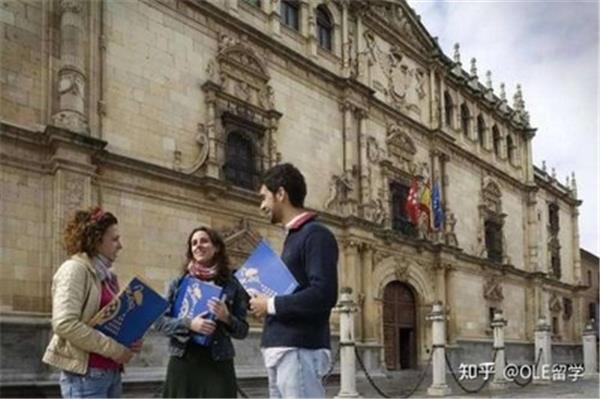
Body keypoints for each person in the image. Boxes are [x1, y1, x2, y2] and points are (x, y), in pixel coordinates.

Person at [250, 163, 339, 398]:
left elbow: (324, 294)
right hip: (282, 348)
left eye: (264, 198)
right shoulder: (294, 237)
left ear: (281, 194)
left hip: (298, 349)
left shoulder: (316, 234)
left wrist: (270, 304)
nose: (262, 206)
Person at [42, 207, 142, 398]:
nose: (120, 245)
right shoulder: (74, 269)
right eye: (114, 239)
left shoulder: (109, 277)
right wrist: (115, 349)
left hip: (112, 371)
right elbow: (64, 324)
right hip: (85, 376)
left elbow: (109, 321)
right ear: (96, 240)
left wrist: (130, 341)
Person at [155, 226, 249, 398]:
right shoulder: (178, 284)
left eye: (204, 241)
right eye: (194, 243)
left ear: (217, 247)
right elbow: (159, 322)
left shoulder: (232, 285)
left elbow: (243, 330)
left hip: (218, 363)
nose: (198, 246)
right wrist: (189, 324)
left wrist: (227, 318)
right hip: (183, 362)